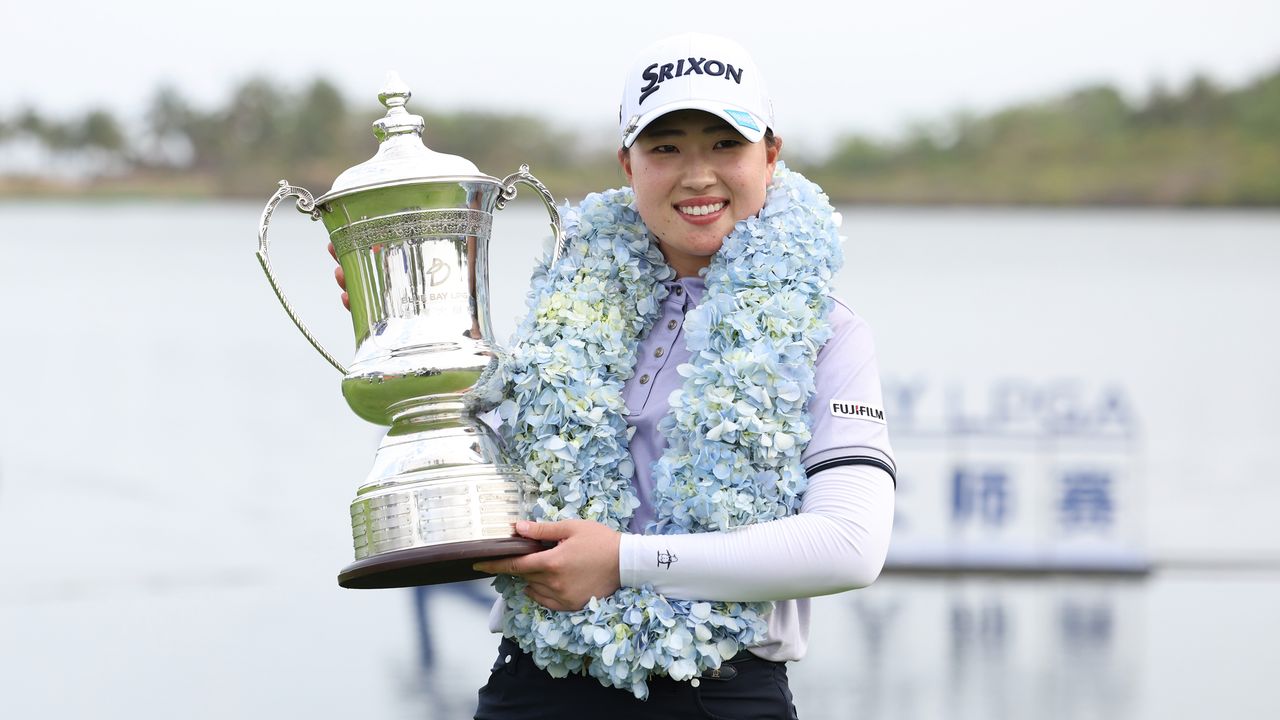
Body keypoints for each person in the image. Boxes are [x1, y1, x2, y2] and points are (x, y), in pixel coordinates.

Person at [335, 32, 896, 720]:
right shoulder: (565, 316)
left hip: (718, 694)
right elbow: (494, 486)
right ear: (626, 163)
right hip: (531, 684)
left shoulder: (829, 332)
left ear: (771, 156)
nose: (697, 176)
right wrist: (404, 320)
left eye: (726, 144)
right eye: (665, 148)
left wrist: (625, 560)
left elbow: (849, 548)